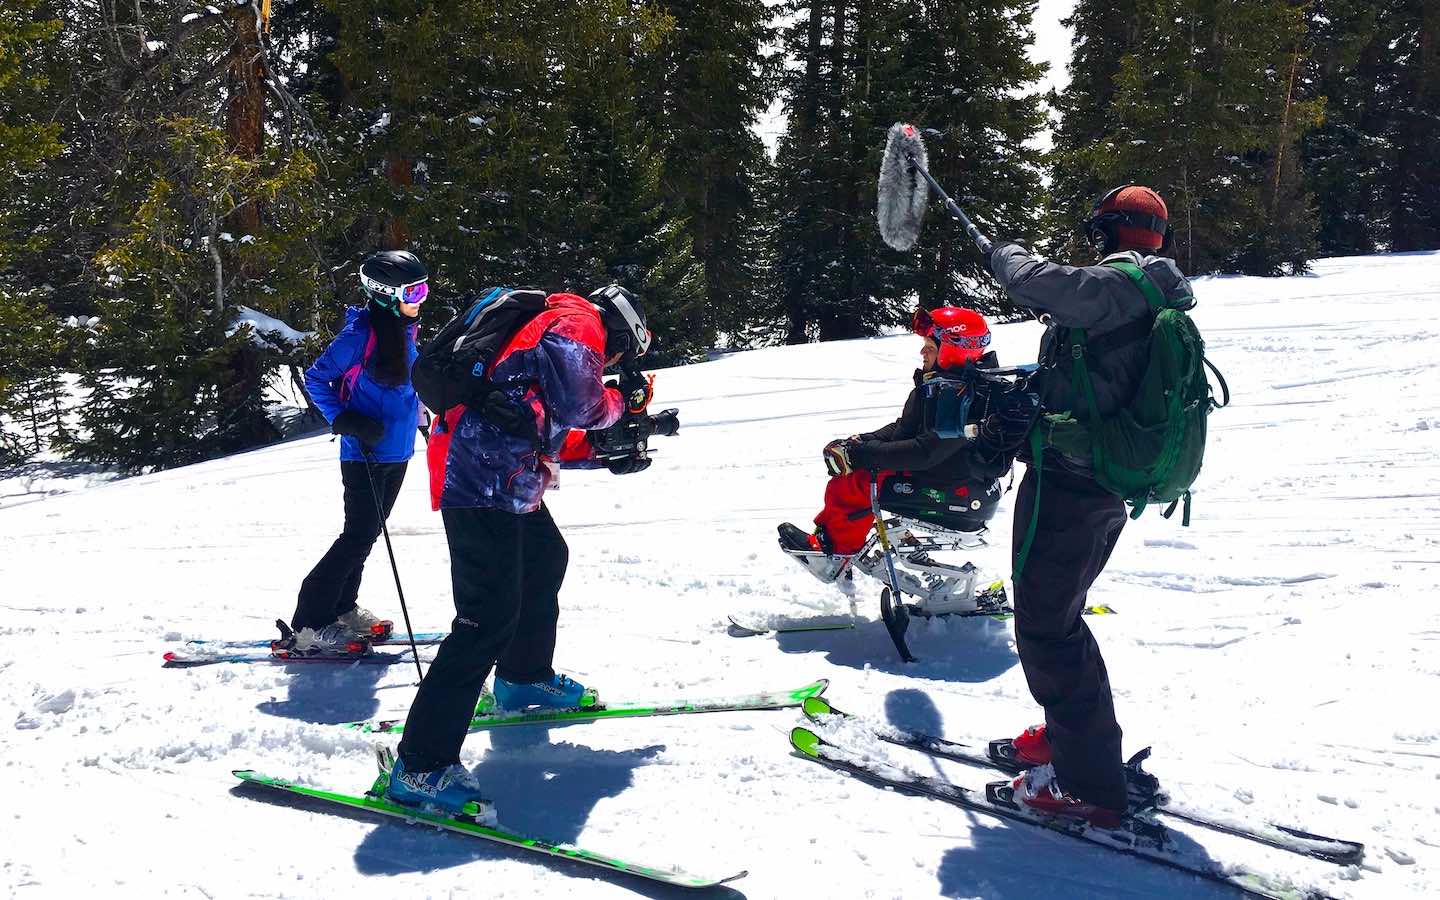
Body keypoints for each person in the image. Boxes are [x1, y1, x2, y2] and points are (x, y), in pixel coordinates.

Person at [386, 283, 657, 814]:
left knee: (545, 559)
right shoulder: (580, 321)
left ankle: (522, 678)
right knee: (485, 617)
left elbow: (544, 420)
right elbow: (582, 405)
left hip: (503, 477)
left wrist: (609, 452)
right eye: (618, 356)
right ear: (622, 330)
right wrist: (623, 403)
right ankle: (421, 766)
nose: (611, 363)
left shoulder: (558, 325)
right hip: (480, 481)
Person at [985, 185, 1196, 827]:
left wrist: (1004, 254)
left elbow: (1037, 283)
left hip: (1073, 486)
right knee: (1059, 616)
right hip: (1098, 481)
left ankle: (1088, 783)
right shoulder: (1152, 291)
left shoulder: (1118, 286)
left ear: (1113, 231)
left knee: (1047, 625)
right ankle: (1073, 738)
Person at [777, 306, 1036, 568]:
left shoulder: (963, 397)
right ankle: (837, 544)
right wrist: (861, 441)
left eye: (930, 348)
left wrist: (859, 456)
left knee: (856, 481)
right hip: (949, 480)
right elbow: (905, 428)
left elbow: (924, 452)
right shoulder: (943, 385)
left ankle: (835, 554)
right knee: (856, 473)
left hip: (958, 492)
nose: (922, 352)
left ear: (953, 349)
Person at [283, 250, 428, 656]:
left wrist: (421, 412)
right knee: (356, 535)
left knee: (368, 533)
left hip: (398, 451)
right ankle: (310, 622)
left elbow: (402, 386)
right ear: (384, 293)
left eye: (424, 288)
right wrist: (344, 418)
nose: (421, 297)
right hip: (364, 451)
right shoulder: (358, 335)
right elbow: (317, 379)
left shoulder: (403, 331)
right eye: (413, 290)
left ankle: (342, 608)